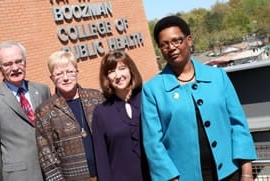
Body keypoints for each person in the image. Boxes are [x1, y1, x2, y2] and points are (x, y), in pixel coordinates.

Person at [141, 16, 257, 181]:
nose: (171, 47)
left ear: (189, 40)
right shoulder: (152, 90)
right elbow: (153, 143)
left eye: (176, 41)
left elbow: (238, 125)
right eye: (164, 44)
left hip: (230, 172)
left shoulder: (218, 77)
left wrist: (246, 171)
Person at [0, 41, 51, 181]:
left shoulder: (42, 90)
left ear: (25, 62)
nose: (15, 68)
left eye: (19, 61)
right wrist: (7, 175)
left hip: (51, 171)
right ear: (0, 68)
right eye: (8, 64)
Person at [34, 50, 104, 181]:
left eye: (70, 72)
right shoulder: (44, 111)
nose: (66, 78)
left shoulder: (97, 98)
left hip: (106, 173)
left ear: (77, 72)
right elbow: (47, 155)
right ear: (52, 78)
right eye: (59, 74)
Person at [92, 50, 150, 181]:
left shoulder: (148, 99)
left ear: (131, 70)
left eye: (122, 68)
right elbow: (102, 160)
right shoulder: (101, 113)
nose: (117, 75)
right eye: (111, 71)